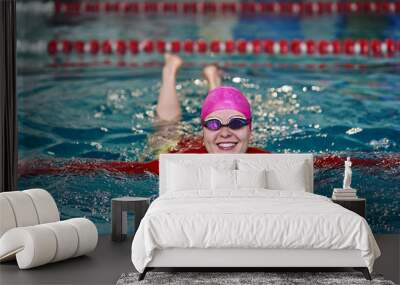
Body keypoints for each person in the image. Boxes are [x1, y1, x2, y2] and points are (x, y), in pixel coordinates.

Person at [148, 53, 267, 157]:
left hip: (216, 142)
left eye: (236, 123)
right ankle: (170, 71)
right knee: (166, 134)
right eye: (213, 124)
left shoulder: (264, 159)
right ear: (203, 130)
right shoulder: (180, 157)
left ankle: (213, 78)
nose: (225, 133)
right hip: (196, 145)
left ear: (250, 129)